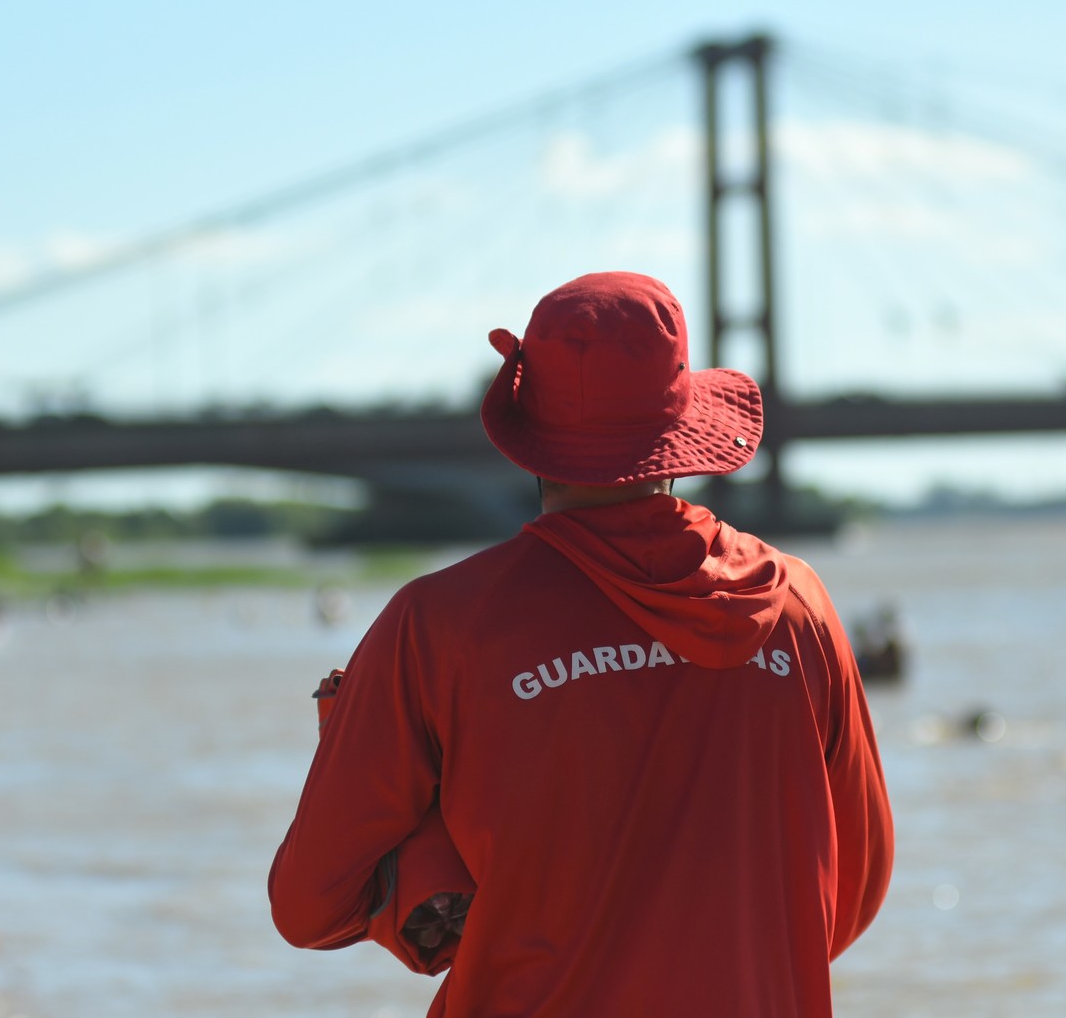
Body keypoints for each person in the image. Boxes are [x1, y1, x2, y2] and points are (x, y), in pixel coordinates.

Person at [269, 271, 895, 1017]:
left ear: (528, 435)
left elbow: (309, 907)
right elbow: (849, 893)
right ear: (681, 427)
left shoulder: (439, 625)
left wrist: (436, 869)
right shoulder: (799, 607)